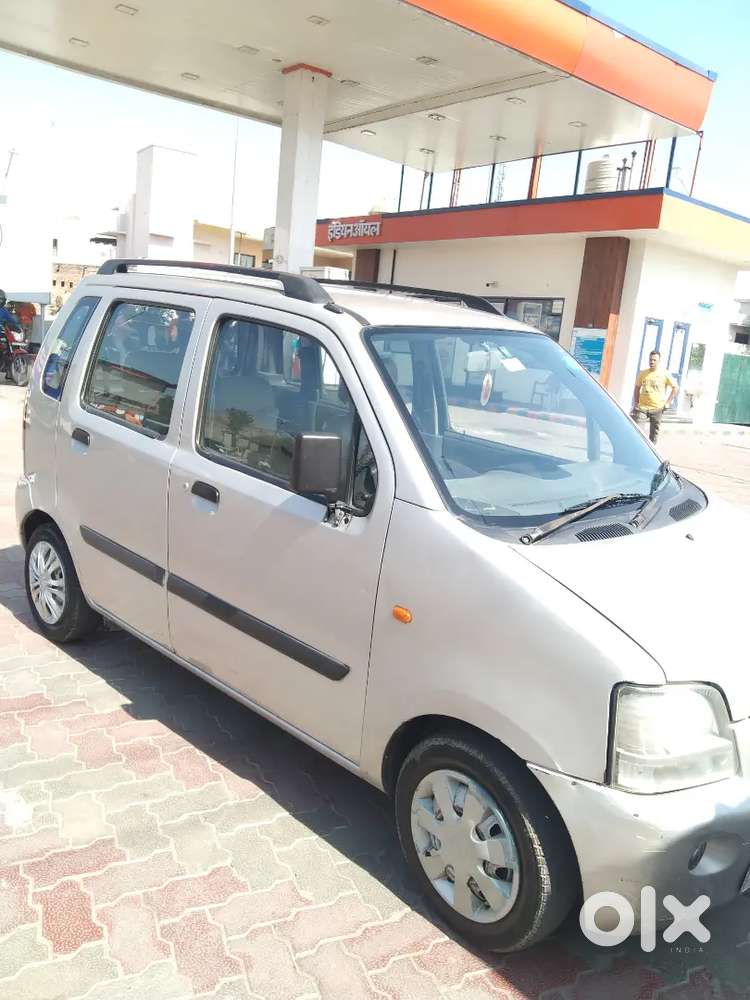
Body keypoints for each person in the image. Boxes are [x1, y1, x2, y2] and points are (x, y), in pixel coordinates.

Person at [632, 350, 677, 443]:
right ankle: (638, 449)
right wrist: (636, 403)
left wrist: (668, 403)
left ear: (659, 361)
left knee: (653, 435)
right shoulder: (643, 373)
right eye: (650, 360)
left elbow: (675, 388)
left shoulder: (665, 374)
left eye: (654, 360)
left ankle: (651, 454)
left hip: (657, 408)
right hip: (642, 408)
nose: (651, 362)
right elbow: (637, 388)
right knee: (638, 432)